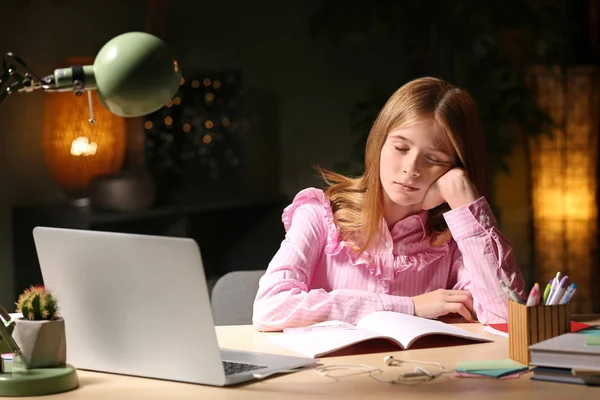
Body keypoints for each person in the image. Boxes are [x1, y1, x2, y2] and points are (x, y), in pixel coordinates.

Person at [252, 77, 525, 332]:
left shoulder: (454, 238)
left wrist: (466, 202)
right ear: (379, 143)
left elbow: (507, 320)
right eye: (401, 148)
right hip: (331, 379)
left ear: (455, 168)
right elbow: (270, 308)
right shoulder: (320, 215)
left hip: (423, 378)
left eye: (435, 158)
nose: (410, 169)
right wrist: (410, 307)